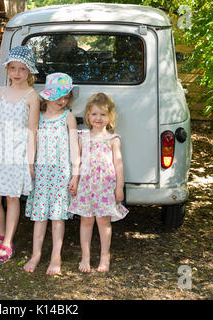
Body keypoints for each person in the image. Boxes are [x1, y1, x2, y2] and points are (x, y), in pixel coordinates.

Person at [0, 46, 40, 265]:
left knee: (12, 197)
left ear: (29, 71)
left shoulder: (32, 96)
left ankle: (8, 243)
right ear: (7, 69)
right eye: (12, 68)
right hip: (0, 150)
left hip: (19, 151)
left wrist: (31, 161)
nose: (16, 73)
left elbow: (32, 130)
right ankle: (2, 233)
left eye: (21, 69)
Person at [23, 73, 80, 275]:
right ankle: (36, 254)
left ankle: (56, 256)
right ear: (47, 96)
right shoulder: (38, 117)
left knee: (57, 217)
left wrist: (75, 174)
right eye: (59, 97)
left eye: (66, 97)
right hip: (41, 172)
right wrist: (29, 163)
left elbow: (74, 147)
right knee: (40, 217)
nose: (63, 101)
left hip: (61, 173)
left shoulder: (68, 117)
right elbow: (32, 140)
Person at [69, 93, 128, 273]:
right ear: (88, 116)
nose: (98, 118)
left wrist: (119, 187)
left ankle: (105, 256)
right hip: (86, 186)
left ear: (110, 117)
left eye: (103, 114)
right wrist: (74, 179)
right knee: (86, 221)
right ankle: (85, 257)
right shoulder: (82, 136)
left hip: (105, 187)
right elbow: (77, 161)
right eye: (94, 114)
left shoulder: (113, 139)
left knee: (103, 222)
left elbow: (118, 163)